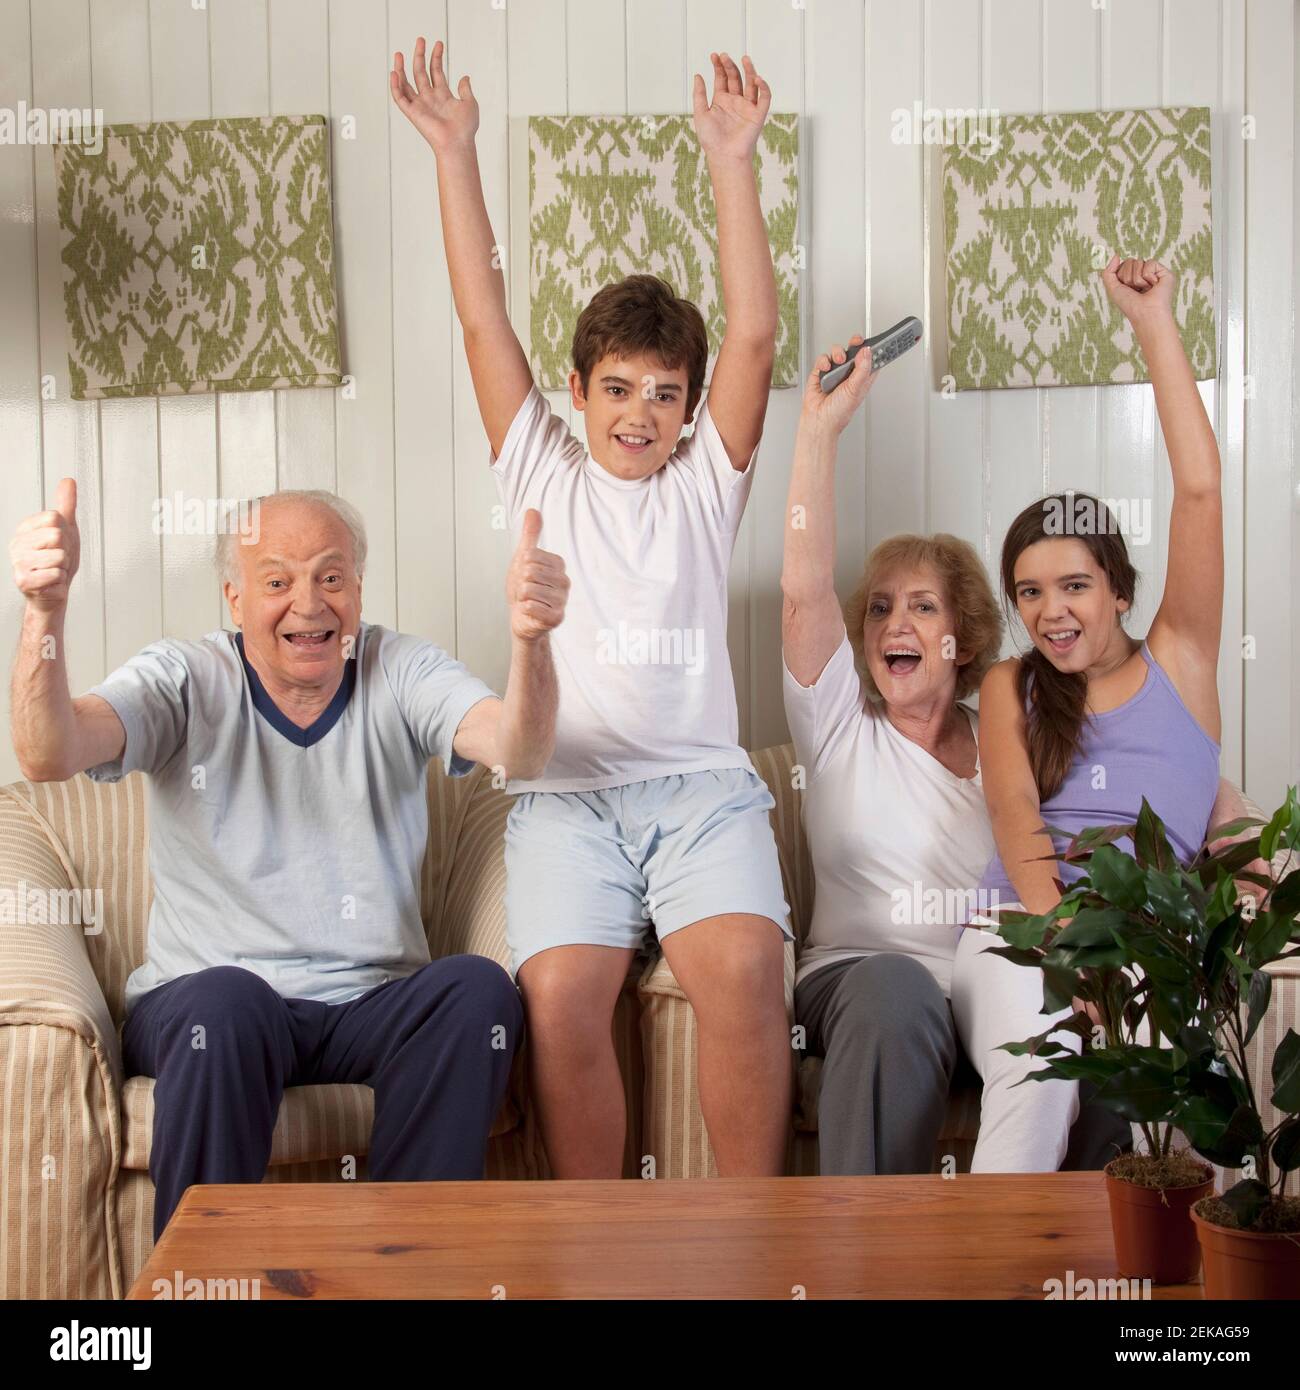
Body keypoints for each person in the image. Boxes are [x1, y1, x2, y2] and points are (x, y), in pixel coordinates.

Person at [390, 40, 793, 1178]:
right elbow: (481, 320)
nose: (640, 414)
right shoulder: (543, 470)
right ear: (578, 391)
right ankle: (601, 1244)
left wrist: (733, 159)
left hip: (701, 794)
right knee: (561, 995)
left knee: (744, 972)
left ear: (687, 407)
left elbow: (754, 336)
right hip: (566, 799)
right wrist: (456, 155)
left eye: (665, 394)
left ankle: (753, 1241)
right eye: (618, 388)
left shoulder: (706, 484)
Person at [9, 481, 566, 1237]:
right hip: (208, 1003)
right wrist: (45, 614)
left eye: (330, 577)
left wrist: (531, 643)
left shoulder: (398, 668)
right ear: (235, 600)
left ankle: (408, 1272)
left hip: (370, 1002)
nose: (309, 603)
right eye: (277, 580)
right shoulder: (184, 677)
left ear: (359, 591)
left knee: (475, 990)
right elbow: (48, 754)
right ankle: (207, 1281)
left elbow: (519, 751)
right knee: (229, 1005)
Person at [782, 337, 1140, 1173]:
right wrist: (817, 433)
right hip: (864, 980)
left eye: (921, 607)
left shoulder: (1011, 733)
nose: (893, 625)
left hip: (992, 984)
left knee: (1096, 1035)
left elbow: (1138, 777)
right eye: (877, 610)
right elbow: (803, 590)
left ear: (964, 636)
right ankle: (862, 1269)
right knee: (898, 993)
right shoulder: (838, 722)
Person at [975, 256, 1230, 1163]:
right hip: (1029, 929)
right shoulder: (1009, 686)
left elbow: (1200, 490)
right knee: (1040, 1075)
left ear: (1119, 589)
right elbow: (1017, 830)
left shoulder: (1182, 661)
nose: (1052, 612)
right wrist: (1073, 954)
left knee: (1183, 1096)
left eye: (1075, 585)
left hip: (1157, 941)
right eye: (1030, 592)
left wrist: (1153, 321)